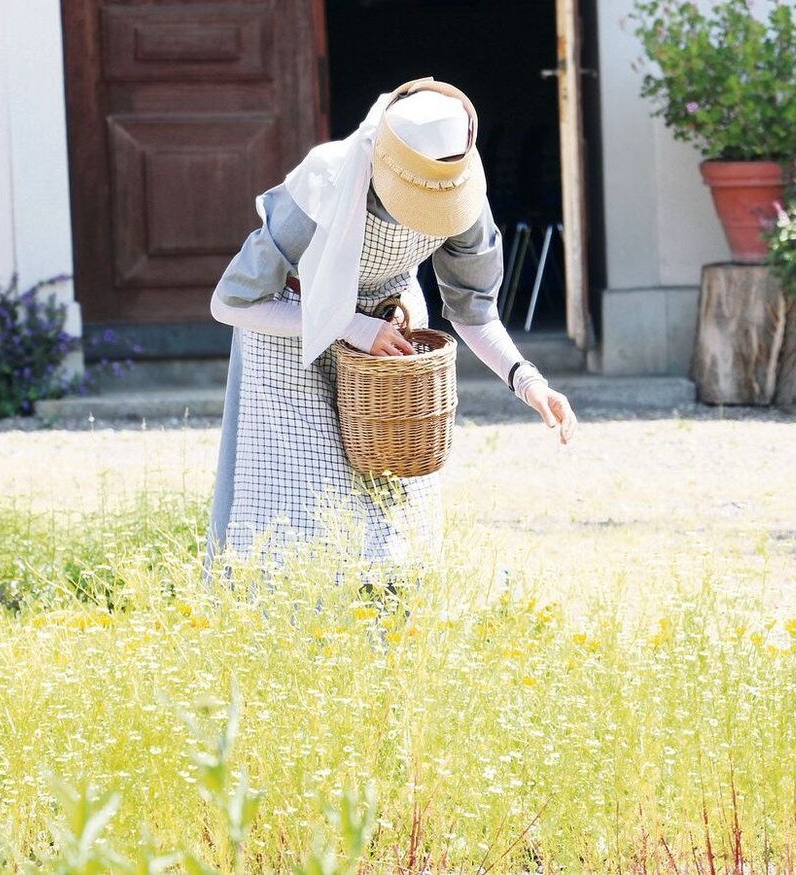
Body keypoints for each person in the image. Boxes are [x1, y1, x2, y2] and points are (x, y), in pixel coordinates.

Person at [207, 77, 576, 566]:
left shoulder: (462, 192)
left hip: (390, 330)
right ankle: (298, 627)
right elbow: (230, 302)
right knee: (306, 501)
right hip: (291, 335)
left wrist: (527, 381)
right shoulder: (324, 181)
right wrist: (352, 327)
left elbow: (473, 311)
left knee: (394, 502)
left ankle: (387, 628)